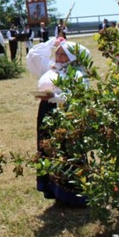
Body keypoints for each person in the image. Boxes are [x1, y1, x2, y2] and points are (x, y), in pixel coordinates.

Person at [27, 37, 90, 207]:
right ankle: (53, 189)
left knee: (66, 149)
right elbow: (33, 56)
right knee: (47, 147)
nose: (59, 57)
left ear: (73, 57)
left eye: (64, 55)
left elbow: (79, 95)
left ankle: (73, 194)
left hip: (66, 113)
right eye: (58, 54)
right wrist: (51, 43)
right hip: (46, 111)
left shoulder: (78, 73)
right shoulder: (50, 68)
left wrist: (56, 97)